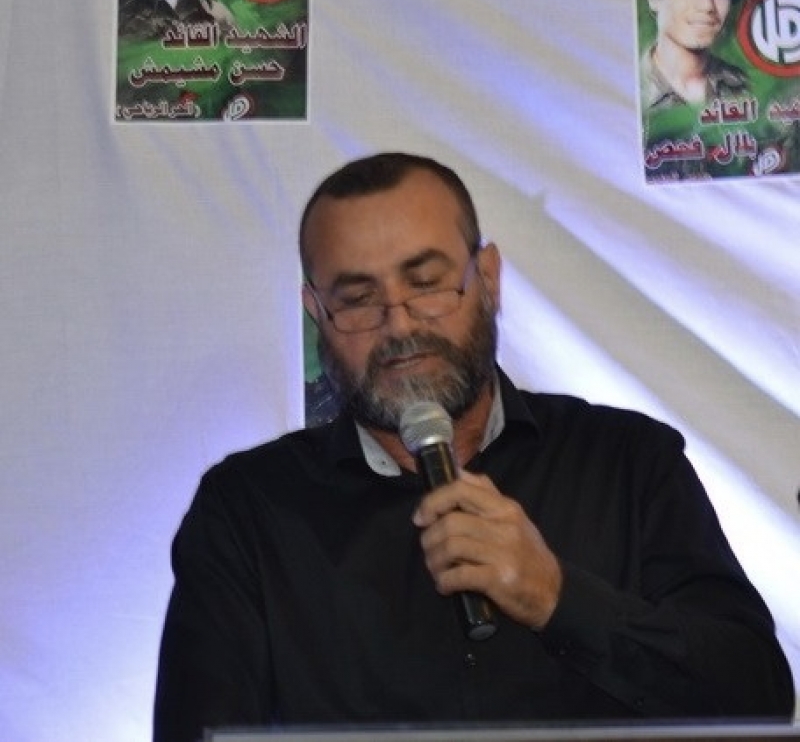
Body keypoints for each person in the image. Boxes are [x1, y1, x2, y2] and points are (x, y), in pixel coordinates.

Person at [153, 152, 795, 742]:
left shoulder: (628, 461)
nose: (399, 325)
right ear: (316, 313)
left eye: (426, 283)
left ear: (487, 278)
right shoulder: (248, 511)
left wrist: (557, 597)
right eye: (358, 299)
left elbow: (757, 695)